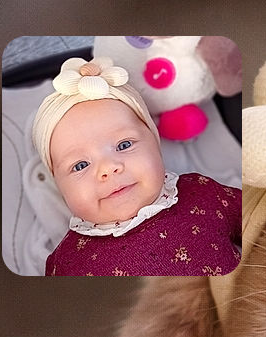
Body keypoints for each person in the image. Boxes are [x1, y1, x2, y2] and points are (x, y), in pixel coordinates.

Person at [32, 57, 240, 277]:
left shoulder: (202, 192)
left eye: (123, 145)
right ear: (60, 186)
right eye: (80, 165)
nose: (109, 168)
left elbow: (260, 218)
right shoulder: (66, 263)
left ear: (155, 143)